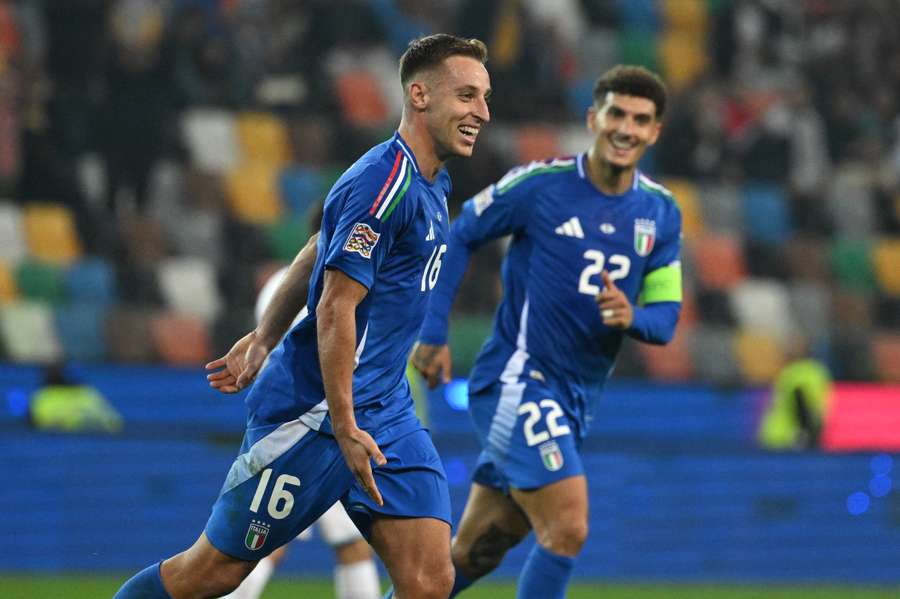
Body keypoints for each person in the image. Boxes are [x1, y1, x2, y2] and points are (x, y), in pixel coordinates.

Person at [113, 32, 491, 599]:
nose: (482, 112)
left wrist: (263, 335)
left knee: (430, 581)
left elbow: (319, 245)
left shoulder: (432, 182)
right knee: (210, 573)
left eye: (484, 97)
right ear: (419, 95)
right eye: (466, 95)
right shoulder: (382, 182)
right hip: (316, 415)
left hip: (384, 407)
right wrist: (342, 425)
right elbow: (337, 308)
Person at [410, 65, 682, 599]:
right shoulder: (541, 186)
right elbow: (461, 234)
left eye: (641, 120)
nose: (627, 128)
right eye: (617, 114)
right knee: (568, 524)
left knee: (472, 553)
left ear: (655, 132)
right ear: (593, 118)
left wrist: (633, 317)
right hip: (519, 380)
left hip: (576, 401)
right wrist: (434, 329)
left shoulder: (661, 213)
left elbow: (666, 317)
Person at [221, 265, 381, 599]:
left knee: (264, 536)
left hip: (283, 418)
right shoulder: (349, 278)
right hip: (323, 423)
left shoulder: (279, 284)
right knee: (344, 542)